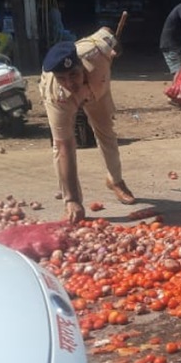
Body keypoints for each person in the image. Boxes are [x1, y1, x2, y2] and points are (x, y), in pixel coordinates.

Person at [39, 32, 136, 224]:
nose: (69, 83)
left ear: (81, 65)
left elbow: (110, 34)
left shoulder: (97, 52)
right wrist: (73, 200)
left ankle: (115, 181)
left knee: (106, 132)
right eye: (62, 77)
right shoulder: (55, 92)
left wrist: (116, 51)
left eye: (73, 74)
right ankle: (71, 199)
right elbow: (65, 147)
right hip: (63, 101)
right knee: (62, 147)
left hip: (97, 91)